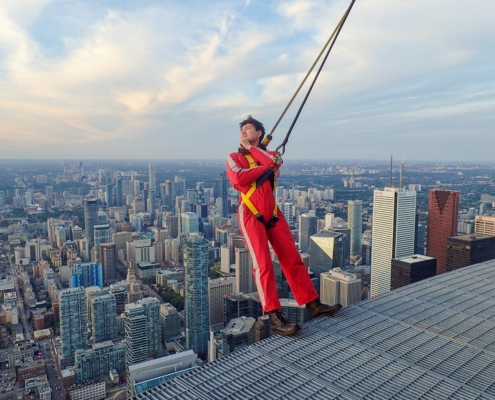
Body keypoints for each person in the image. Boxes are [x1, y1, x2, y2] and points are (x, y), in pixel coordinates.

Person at [226, 115, 342, 336]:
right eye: (241, 130)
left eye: (248, 128)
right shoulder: (233, 157)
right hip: (250, 211)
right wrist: (264, 167)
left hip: (273, 212)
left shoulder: (267, 154)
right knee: (263, 264)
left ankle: (312, 304)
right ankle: (274, 317)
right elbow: (238, 179)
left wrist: (257, 154)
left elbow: (274, 162)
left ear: (259, 133)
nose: (243, 132)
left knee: (292, 258)